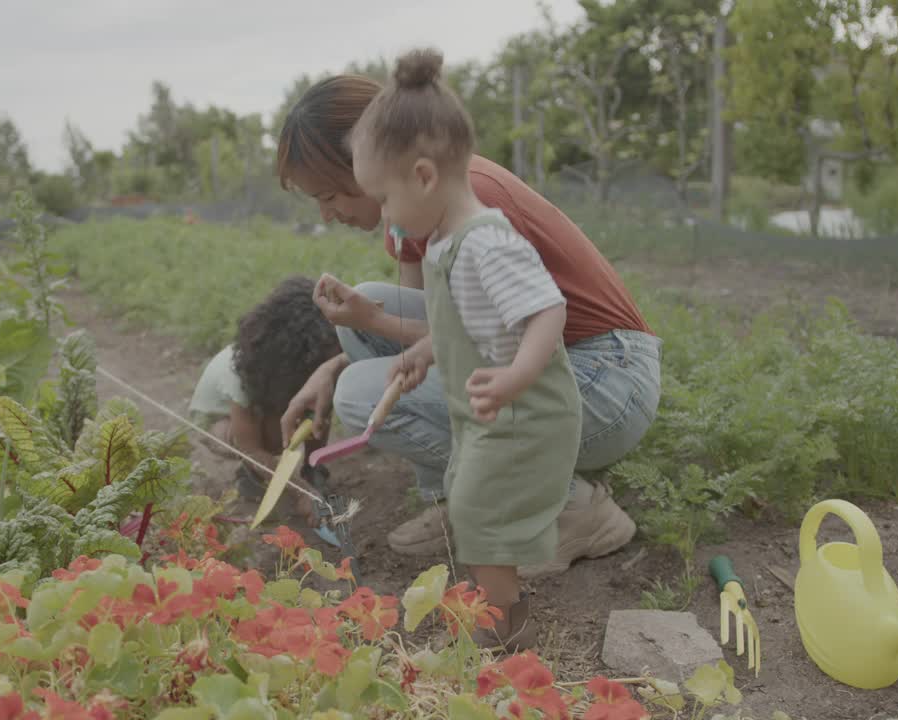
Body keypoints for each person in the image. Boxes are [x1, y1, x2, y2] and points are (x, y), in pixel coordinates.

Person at [275, 61, 663, 580]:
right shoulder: (415, 206)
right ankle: (460, 501)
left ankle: (571, 510)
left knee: (363, 393)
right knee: (367, 313)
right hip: (562, 366)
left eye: (329, 194)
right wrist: (340, 355)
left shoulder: (471, 205)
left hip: (606, 381)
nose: (327, 214)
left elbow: (478, 338)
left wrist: (371, 339)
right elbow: (436, 333)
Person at [344, 47, 584, 651]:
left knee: (478, 511)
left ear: (424, 176)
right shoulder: (447, 242)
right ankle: (499, 605)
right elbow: (470, 320)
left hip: (523, 412)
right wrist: (428, 348)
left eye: (387, 202)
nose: (388, 220)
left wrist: (515, 377)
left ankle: (503, 622)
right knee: (470, 501)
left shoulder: (485, 242)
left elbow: (547, 310)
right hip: (489, 411)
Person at [188, 275, 341, 518]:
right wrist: (302, 493)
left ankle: (313, 469)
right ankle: (252, 476)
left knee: (317, 406)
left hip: (269, 400)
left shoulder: (294, 367)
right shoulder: (241, 376)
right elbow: (252, 449)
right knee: (271, 438)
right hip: (221, 421)